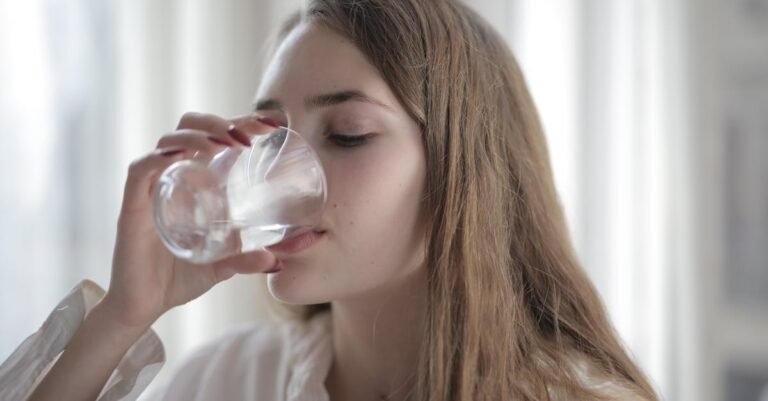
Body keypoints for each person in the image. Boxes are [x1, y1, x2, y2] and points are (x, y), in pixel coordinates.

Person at [0, 1, 660, 400]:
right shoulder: (233, 378)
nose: (280, 175)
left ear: (463, 170)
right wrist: (121, 315)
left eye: (345, 134)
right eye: (271, 136)